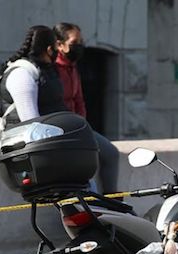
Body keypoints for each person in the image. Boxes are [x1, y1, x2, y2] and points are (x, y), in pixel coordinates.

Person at [54, 22, 120, 194]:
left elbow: (79, 100)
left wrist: (82, 123)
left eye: (81, 42)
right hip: (61, 131)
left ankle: (112, 199)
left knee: (110, 153)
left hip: (78, 127)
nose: (80, 47)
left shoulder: (73, 67)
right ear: (59, 45)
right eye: (75, 43)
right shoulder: (52, 69)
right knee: (84, 164)